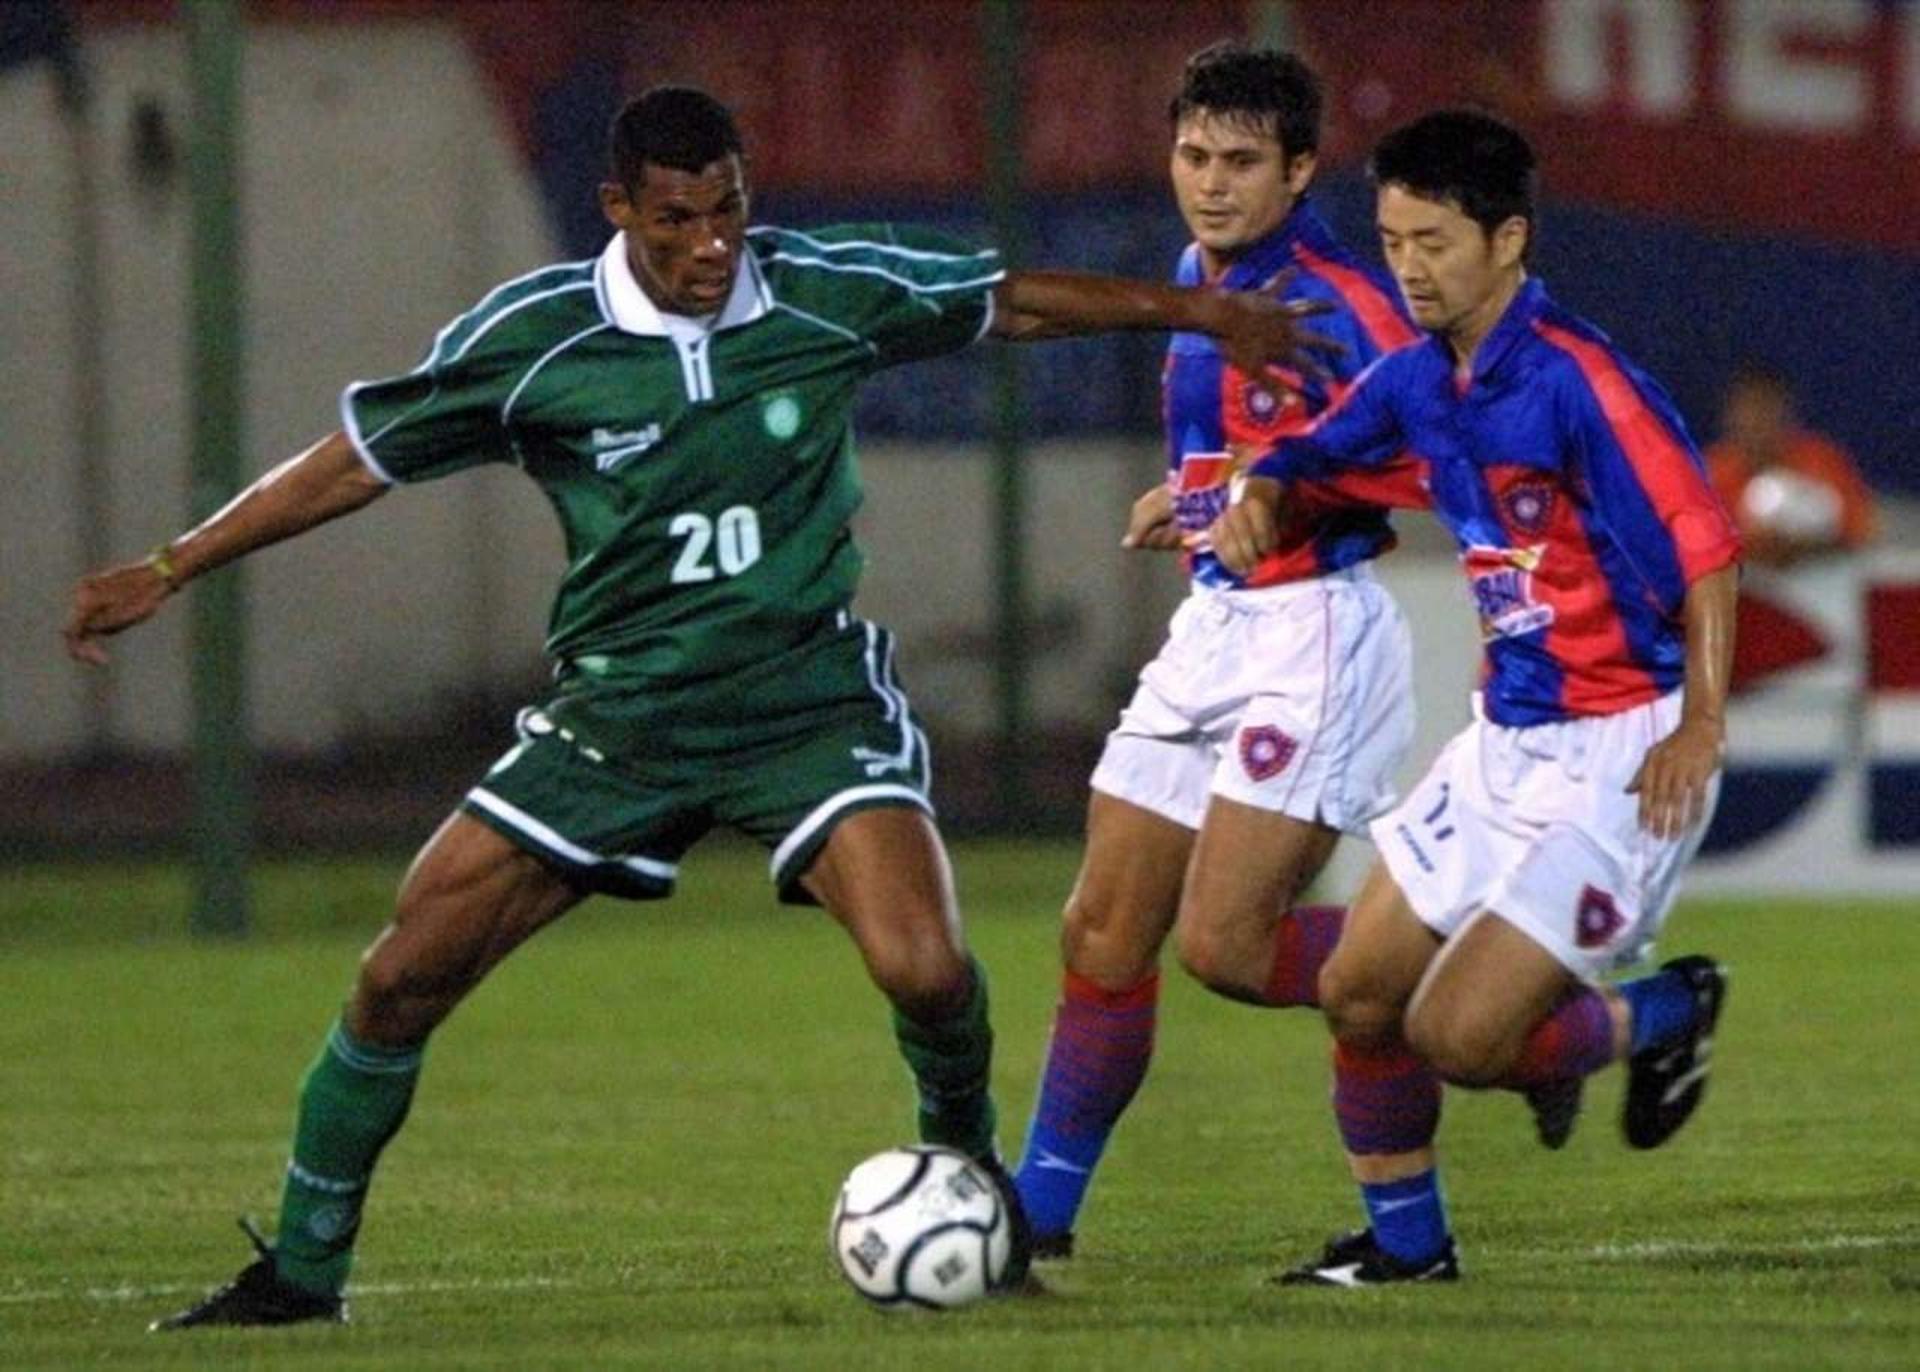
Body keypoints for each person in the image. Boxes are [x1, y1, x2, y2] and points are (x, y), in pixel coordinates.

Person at [63, 86, 1337, 1330]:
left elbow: (1007, 300)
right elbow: (356, 459)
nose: (709, 246)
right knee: (399, 978)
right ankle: (299, 1270)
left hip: (804, 705)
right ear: (620, 208)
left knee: (928, 966)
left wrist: (1196, 310)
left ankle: (977, 1203)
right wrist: (175, 564)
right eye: (676, 220)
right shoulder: (540, 340)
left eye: (727, 211)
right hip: (620, 722)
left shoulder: (821, 291)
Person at [1207, 109, 1740, 1285]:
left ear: (1509, 240)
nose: (1408, 266)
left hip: (1621, 751)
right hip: (1505, 741)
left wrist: (1702, 721)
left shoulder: (1581, 383)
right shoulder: (1417, 379)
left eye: (1434, 241)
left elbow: (1706, 548)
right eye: (1394, 239)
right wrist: (1250, 495)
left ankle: (1663, 1011)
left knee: (1458, 1035)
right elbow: (1304, 452)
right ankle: (1409, 1248)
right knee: (1357, 991)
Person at [1009, 43, 1423, 1260]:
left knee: (1229, 951)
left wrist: (1281, 492)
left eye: (1244, 162)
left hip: (1316, 628)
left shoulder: (1342, 300)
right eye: (1194, 155)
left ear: (1300, 171)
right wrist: (1190, 499)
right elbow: (1247, 453)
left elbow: (1430, 444)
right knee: (1100, 930)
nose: (1212, 183)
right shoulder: (1200, 276)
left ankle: (1505, 981)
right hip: (1215, 625)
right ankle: (1039, 1217)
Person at [1706, 362, 1878, 571]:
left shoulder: (1822, 461)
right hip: (1742, 593)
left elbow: (1859, 530)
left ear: (1786, 412)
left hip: (1817, 588)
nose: (1757, 421)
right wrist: (1758, 549)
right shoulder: (1710, 471)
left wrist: (1804, 548)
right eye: (1749, 409)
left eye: (1766, 408)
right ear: (1731, 415)